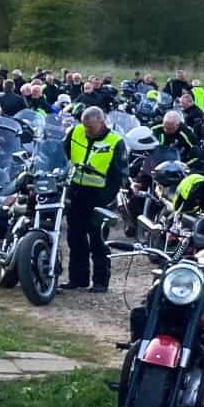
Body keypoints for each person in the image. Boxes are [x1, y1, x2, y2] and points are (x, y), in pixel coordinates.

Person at [65, 107, 126, 293]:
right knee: (75, 238)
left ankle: (100, 281)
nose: (86, 130)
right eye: (84, 126)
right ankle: (77, 279)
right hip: (76, 193)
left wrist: (105, 199)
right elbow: (63, 153)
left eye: (90, 127)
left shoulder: (115, 142)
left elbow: (119, 175)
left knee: (98, 241)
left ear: (102, 122)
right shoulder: (75, 132)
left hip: (100, 197)